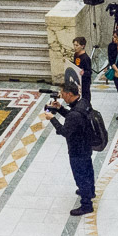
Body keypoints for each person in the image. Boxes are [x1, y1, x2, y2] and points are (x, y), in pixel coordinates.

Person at [40, 81, 95, 216]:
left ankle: (86, 204)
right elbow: (73, 118)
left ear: (70, 94)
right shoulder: (84, 103)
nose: (62, 97)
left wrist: (52, 118)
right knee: (88, 170)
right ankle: (90, 191)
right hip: (86, 145)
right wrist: (60, 109)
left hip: (77, 150)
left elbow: (64, 131)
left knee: (80, 176)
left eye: (63, 94)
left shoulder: (74, 114)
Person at [72, 36, 92, 105]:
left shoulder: (85, 58)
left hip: (84, 83)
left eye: (77, 45)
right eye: (74, 45)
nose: (75, 47)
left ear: (82, 46)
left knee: (85, 100)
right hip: (77, 82)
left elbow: (89, 72)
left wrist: (84, 73)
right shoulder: (76, 55)